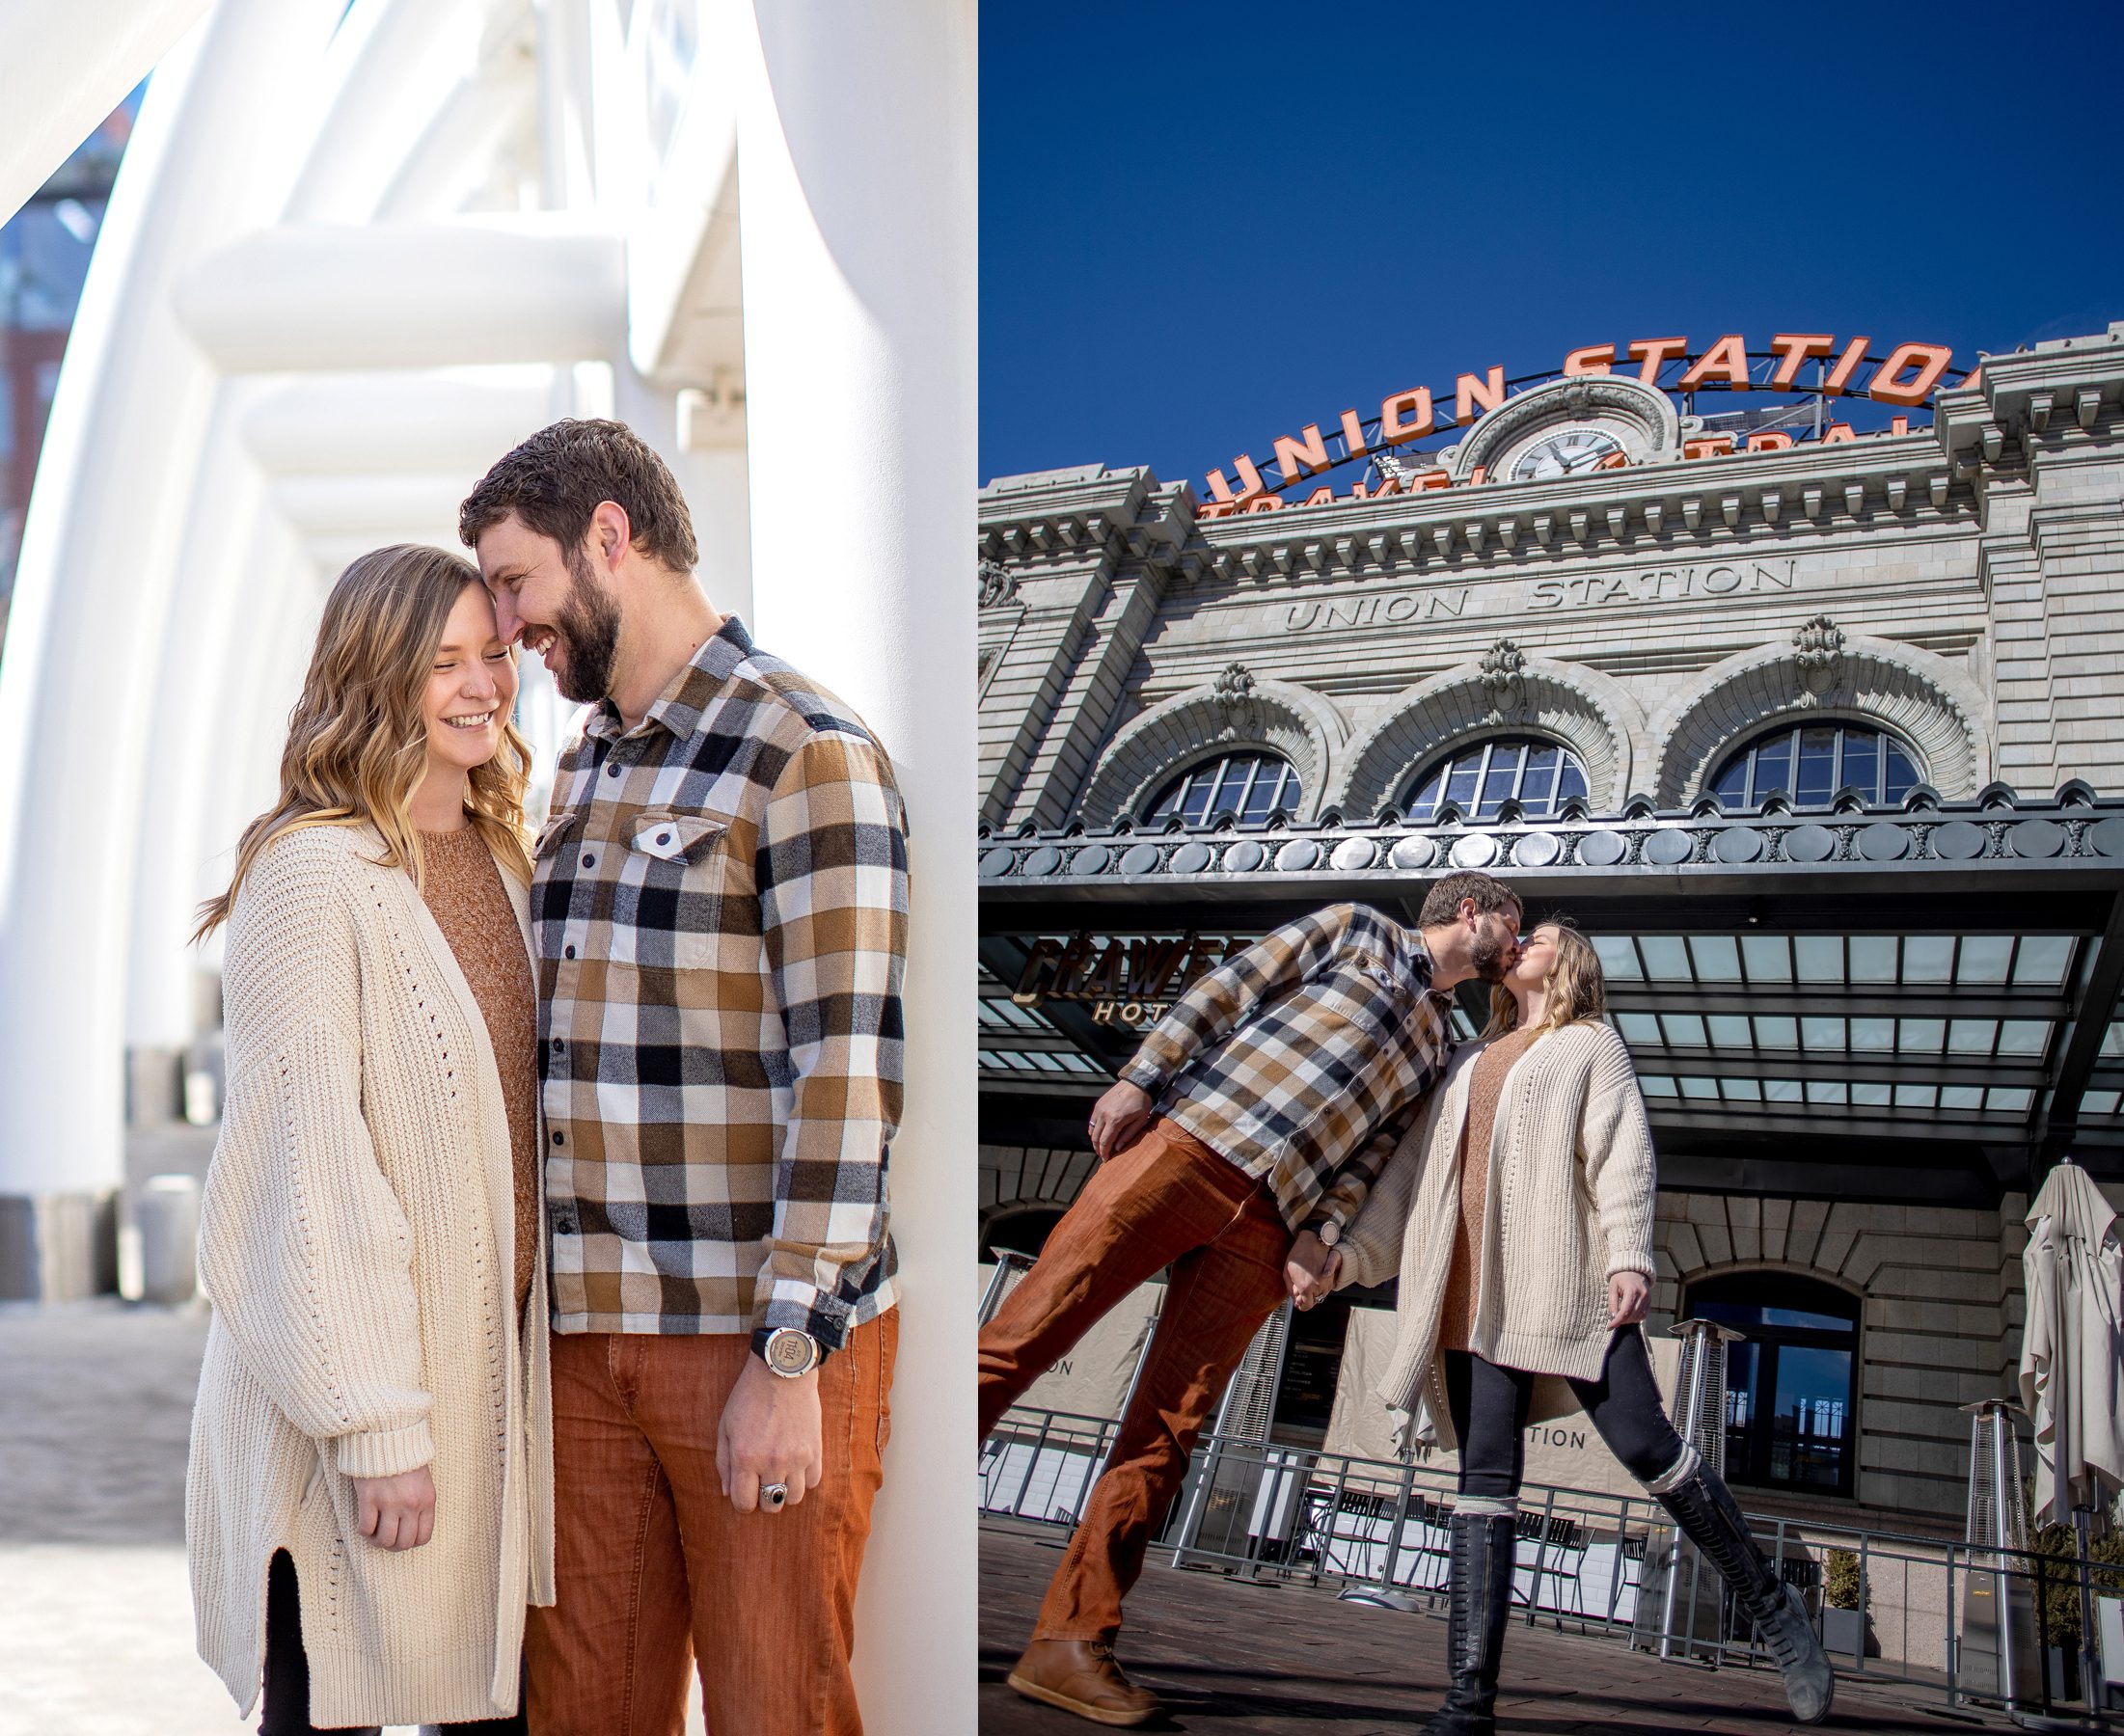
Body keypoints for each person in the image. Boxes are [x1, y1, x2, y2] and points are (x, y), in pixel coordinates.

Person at [458, 419, 909, 1736]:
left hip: (745, 1339)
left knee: (775, 1708)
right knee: (582, 1715)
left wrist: (788, 1354)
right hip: (578, 1343)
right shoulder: (580, 761)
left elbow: (849, 1071)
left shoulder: (802, 746)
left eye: (515, 583)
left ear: (610, 536)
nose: (506, 627)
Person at [978, 873, 1523, 1725]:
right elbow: (1228, 989)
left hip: (1273, 1220)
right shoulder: (1356, 930)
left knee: (1171, 1426)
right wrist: (1141, 1076)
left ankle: (1071, 1642)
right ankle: (878, 1517)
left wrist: (1324, 1233)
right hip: (1190, 1143)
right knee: (1023, 1335)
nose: (1515, 944)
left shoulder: (1438, 1041)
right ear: (1470, 912)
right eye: (1512, 924)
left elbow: (1375, 1152)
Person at [187, 546, 553, 1735]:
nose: (481, 685)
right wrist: (375, 1422)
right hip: (348, 1413)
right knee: (328, 1711)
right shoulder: (312, 873)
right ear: (373, 676)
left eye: (492, 654)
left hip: (482, 1401)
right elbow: (304, 1174)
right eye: (442, 662)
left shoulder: (506, 858)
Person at [1320, 919, 1835, 1734]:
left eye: (1543, 936)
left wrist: (1629, 1254)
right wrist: (1346, 1258)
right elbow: (1408, 1179)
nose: (1523, 940)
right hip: (1470, 1299)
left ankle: (1772, 1606)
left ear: (1573, 963)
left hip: (1565, 1283)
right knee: (1484, 1483)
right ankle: (1468, 1703)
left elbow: (1623, 1154)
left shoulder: (1593, 1044)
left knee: (1646, 1445)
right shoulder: (1465, 1060)